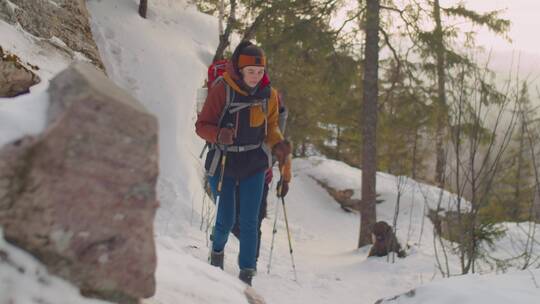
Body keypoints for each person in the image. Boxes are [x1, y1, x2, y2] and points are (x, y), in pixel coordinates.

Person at [195, 41, 291, 286]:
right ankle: (216, 253)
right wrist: (218, 135)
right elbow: (201, 126)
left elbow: (271, 127)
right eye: (251, 72)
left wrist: (278, 144)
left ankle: (247, 272)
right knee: (226, 217)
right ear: (240, 69)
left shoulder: (268, 94)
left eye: (260, 72)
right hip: (224, 160)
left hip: (254, 162)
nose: (256, 77)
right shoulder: (222, 89)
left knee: (250, 220)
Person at [231, 98, 291, 263]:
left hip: (261, 176)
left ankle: (251, 261)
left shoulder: (273, 123)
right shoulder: (253, 110)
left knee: (254, 219)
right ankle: (248, 255)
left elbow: (283, 151)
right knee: (238, 221)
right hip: (240, 172)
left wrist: (285, 179)